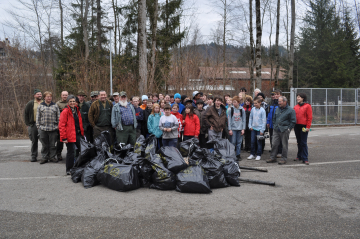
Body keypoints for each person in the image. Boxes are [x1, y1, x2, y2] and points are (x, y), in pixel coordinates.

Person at [266, 96, 296, 165]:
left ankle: (284, 159)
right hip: (276, 130)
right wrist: (275, 126)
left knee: (284, 145)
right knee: (274, 144)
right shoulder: (277, 109)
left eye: (280, 101)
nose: (278, 103)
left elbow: (293, 121)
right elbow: (274, 118)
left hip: (284, 130)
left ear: (285, 102)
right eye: (278, 101)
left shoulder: (291, 110)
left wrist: (288, 129)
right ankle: (273, 157)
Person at [59, 95, 84, 175]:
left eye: (74, 101)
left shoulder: (77, 110)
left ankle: (80, 166)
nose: (72, 103)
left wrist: (82, 133)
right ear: (68, 102)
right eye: (71, 101)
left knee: (83, 150)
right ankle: (69, 169)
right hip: (69, 135)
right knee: (71, 152)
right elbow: (61, 125)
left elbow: (79, 123)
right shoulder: (65, 111)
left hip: (78, 134)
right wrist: (64, 137)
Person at [36, 91, 60, 164]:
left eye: (50, 96)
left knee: (52, 144)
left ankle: (52, 157)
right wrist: (38, 126)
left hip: (53, 128)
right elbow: (38, 117)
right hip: (43, 128)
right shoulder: (40, 106)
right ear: (44, 97)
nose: (49, 98)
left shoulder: (55, 105)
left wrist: (58, 126)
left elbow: (59, 116)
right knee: (44, 145)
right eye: (47, 96)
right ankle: (44, 157)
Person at [24, 89, 43, 162]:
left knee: (44, 141)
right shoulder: (30, 103)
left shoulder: (44, 102)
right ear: (34, 95)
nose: (39, 95)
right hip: (33, 124)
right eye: (38, 94)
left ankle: (45, 156)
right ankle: (34, 156)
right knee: (34, 141)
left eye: (40, 94)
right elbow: (26, 114)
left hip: (42, 124)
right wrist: (28, 124)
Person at [294, 93, 313, 165]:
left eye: (299, 97)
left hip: (303, 127)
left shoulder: (307, 106)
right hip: (297, 126)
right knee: (299, 141)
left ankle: (305, 158)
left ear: (303, 98)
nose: (297, 98)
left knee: (303, 142)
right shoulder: (295, 107)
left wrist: (308, 127)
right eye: (297, 97)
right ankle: (299, 156)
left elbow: (309, 117)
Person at [228, 96, 246, 160]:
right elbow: (229, 119)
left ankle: (238, 154)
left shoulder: (242, 110)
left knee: (239, 142)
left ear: (238, 102)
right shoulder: (231, 109)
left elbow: (244, 120)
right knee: (233, 142)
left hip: (240, 128)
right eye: (233, 102)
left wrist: (243, 129)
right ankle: (232, 155)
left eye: (235, 102)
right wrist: (230, 129)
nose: (233, 103)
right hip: (233, 128)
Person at [267, 89, 282, 157]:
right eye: (275, 94)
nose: (276, 96)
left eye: (277, 94)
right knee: (272, 137)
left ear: (280, 95)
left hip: (278, 124)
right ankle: (273, 150)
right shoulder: (272, 103)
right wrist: (268, 122)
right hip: (271, 124)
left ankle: (279, 151)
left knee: (279, 138)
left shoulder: (281, 103)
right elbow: (269, 114)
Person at [55, 91, 69, 161]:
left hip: (68, 125)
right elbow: (55, 114)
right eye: (63, 95)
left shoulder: (70, 102)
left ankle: (69, 154)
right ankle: (58, 154)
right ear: (61, 95)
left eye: (66, 95)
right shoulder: (57, 104)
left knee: (68, 141)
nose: (65, 96)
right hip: (61, 124)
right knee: (59, 141)